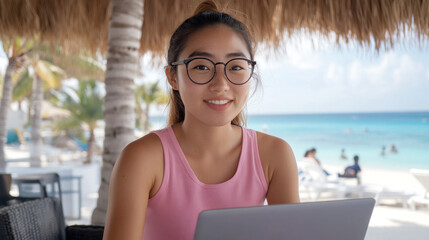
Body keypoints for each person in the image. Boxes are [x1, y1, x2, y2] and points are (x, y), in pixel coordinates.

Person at [103, 2, 300, 239]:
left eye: (236, 66)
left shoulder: (275, 155)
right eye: (201, 67)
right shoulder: (141, 159)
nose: (221, 84)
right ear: (172, 77)